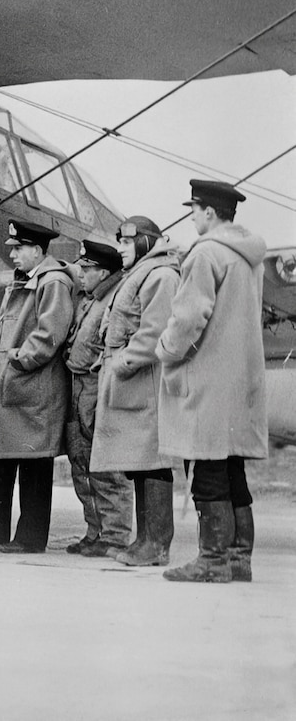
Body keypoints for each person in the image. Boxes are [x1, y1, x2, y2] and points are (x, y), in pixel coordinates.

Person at [156, 180, 268, 584]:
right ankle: (238, 560)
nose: (191, 215)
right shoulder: (249, 255)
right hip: (239, 380)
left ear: (209, 212)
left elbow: (189, 318)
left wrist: (165, 349)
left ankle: (212, 561)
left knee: (206, 471)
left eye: (195, 208)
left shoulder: (205, 254)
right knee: (231, 469)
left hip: (206, 379)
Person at [0, 220, 75, 554]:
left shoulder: (54, 283)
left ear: (37, 250)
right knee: (0, 462)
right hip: (14, 388)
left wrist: (20, 360)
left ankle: (30, 538)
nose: (13, 254)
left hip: (34, 390)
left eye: (19, 248)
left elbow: (50, 333)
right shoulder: (21, 282)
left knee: (34, 468)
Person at [90, 216, 180, 567]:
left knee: (154, 463)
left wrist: (122, 362)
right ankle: (144, 540)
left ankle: (156, 544)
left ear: (144, 242)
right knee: (141, 463)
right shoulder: (144, 273)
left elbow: (155, 332)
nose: (120, 249)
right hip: (134, 383)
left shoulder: (160, 275)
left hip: (146, 382)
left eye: (126, 243)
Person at [62, 239, 134, 557]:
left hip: (96, 387)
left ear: (103, 272)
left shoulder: (115, 299)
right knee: (81, 462)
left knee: (105, 465)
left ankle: (115, 535)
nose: (81, 274)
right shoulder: (92, 299)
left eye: (87, 269)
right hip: (78, 387)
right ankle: (96, 531)